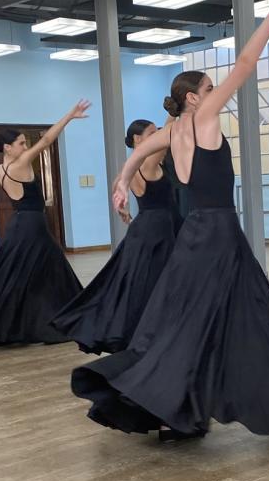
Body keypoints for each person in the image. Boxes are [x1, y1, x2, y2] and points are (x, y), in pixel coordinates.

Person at [72, 0, 269, 440]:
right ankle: (260, 399)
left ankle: (181, 405)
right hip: (220, 233)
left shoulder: (170, 132)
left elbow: (136, 156)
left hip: (193, 236)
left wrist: (121, 184)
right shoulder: (202, 118)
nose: (215, 93)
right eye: (208, 88)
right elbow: (246, 63)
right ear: (193, 97)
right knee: (253, 317)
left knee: (190, 321)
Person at [0, 105, 87, 346]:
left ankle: (16, 322)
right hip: (33, 224)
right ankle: (61, 318)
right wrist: (69, 117)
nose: (25, 147)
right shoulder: (20, 164)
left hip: (19, 224)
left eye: (25, 143)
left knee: (19, 270)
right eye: (21, 143)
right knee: (50, 269)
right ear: (8, 147)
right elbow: (47, 141)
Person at [51, 119, 180, 354]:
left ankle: (154, 326)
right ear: (138, 140)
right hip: (155, 229)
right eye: (152, 132)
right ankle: (151, 328)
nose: (157, 134)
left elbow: (115, 183)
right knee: (153, 281)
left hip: (152, 227)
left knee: (146, 281)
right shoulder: (147, 162)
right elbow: (169, 134)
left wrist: (120, 204)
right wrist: (177, 113)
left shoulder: (132, 165)